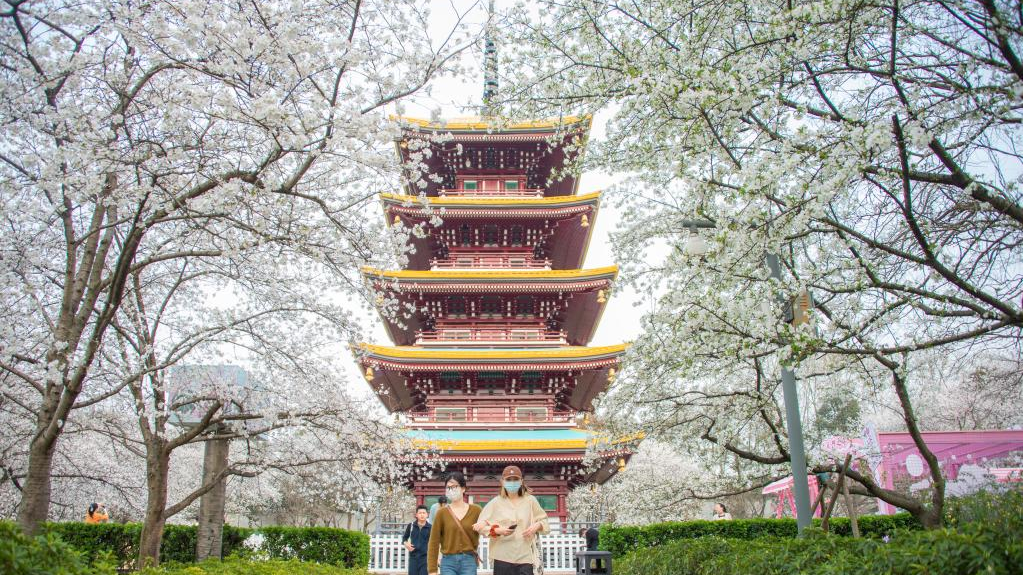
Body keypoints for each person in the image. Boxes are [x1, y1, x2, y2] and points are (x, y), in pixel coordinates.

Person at [473, 465, 549, 575]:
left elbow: (545, 522)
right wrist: (498, 530)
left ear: (521, 481)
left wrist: (537, 525)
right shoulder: (495, 503)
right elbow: (480, 527)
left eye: (515, 479)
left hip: (525, 557)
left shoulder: (530, 501)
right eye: (509, 479)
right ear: (502, 481)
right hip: (502, 557)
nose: (512, 482)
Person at [427, 471, 482, 575]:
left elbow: (486, 528)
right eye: (448, 487)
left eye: (454, 486)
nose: (451, 490)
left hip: (469, 561)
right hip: (448, 562)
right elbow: (433, 542)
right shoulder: (441, 513)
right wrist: (432, 570)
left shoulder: (476, 510)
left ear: (463, 488)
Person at [403, 505, 432, 575]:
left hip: (425, 558)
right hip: (413, 557)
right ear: (416, 515)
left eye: (424, 513)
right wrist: (406, 544)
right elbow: (404, 538)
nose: (422, 515)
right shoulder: (411, 526)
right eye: (420, 513)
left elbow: (434, 543)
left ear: (427, 515)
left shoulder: (431, 527)